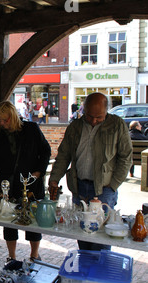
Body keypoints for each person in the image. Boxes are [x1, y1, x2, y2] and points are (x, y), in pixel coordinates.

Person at [48, 92, 132, 251]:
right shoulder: (75, 126)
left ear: (107, 111)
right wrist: (54, 178)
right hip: (79, 187)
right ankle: (85, 270)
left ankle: (100, 272)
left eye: (99, 117)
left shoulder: (117, 125)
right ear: (83, 110)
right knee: (81, 235)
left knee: (100, 238)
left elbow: (126, 158)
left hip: (104, 189)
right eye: (89, 116)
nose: (93, 120)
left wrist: (113, 186)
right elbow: (64, 155)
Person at [0, 101, 51, 269]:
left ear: (13, 116)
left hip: (29, 183)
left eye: (5, 120)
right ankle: (11, 256)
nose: (2, 124)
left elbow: (45, 151)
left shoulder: (31, 129)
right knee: (8, 219)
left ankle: (34, 255)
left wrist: (39, 172)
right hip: (7, 183)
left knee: (32, 220)